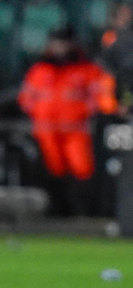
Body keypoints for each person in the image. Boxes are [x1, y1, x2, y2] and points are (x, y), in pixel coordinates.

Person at [19, 28, 120, 215]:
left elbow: (98, 96)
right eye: (56, 43)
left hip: (76, 130)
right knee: (52, 171)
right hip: (46, 131)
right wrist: (39, 113)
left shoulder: (85, 69)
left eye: (63, 43)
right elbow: (26, 98)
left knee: (82, 170)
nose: (60, 47)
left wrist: (83, 112)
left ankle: (82, 213)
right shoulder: (40, 70)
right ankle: (56, 212)